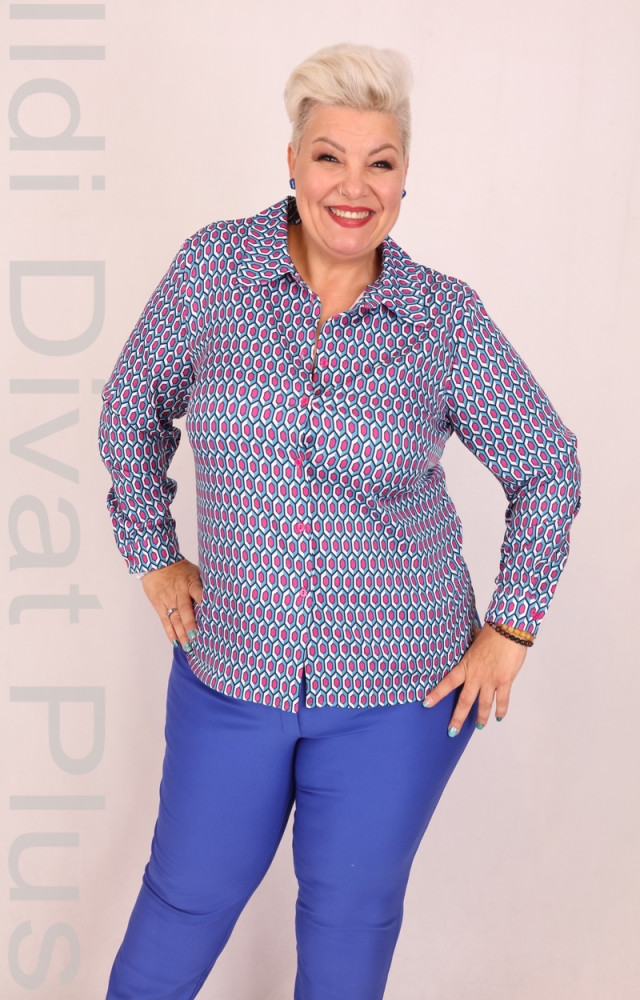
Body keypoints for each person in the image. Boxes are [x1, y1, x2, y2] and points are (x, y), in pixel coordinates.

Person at [99, 43, 580, 1000]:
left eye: (380, 162)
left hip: (398, 692)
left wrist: (511, 627)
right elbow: (131, 407)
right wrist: (154, 553)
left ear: (405, 178)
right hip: (232, 668)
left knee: (349, 921)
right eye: (330, 156)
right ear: (293, 160)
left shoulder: (442, 319)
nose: (353, 187)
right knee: (184, 901)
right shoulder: (213, 269)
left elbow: (547, 464)